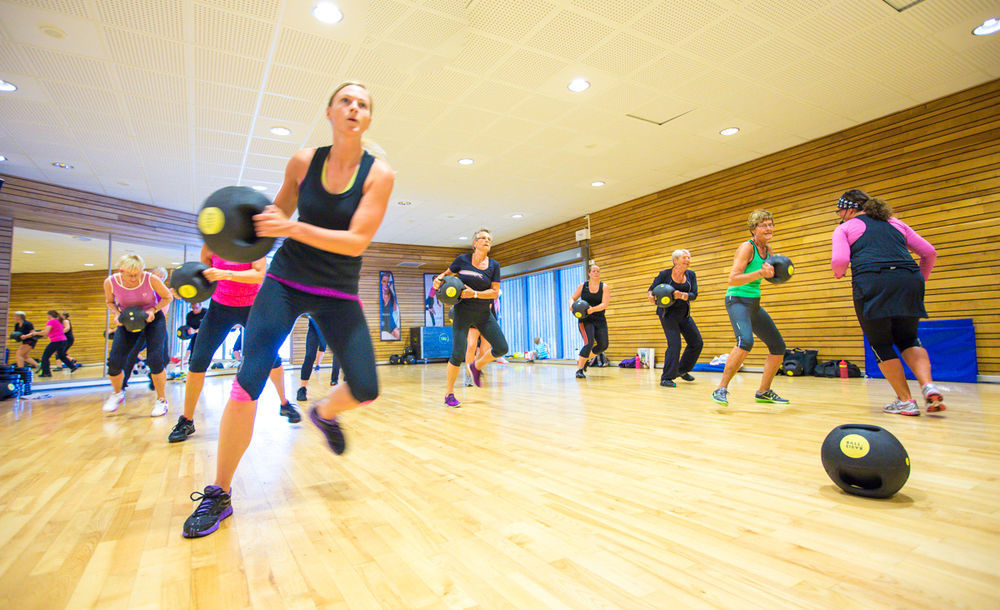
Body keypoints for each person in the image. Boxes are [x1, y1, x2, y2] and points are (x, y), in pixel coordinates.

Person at [182, 82, 394, 538]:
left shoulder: (380, 175)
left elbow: (357, 240)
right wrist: (227, 240)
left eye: (363, 104)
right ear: (330, 112)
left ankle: (324, 413)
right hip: (284, 282)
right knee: (249, 378)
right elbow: (272, 221)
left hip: (338, 290)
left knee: (367, 388)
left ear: (368, 119)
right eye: (346, 101)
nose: (354, 107)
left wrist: (292, 226)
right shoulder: (302, 162)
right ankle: (219, 493)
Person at [168, 245, 302, 444]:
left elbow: (258, 274)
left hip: (253, 306)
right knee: (197, 361)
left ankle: (284, 403)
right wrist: (186, 291)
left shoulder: (254, 245)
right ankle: (186, 420)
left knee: (272, 358)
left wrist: (226, 274)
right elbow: (203, 281)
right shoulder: (210, 246)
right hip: (219, 308)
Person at [831, 189, 944, 415]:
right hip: (909, 281)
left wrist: (839, 272)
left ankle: (906, 401)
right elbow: (929, 252)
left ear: (850, 209)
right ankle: (928, 386)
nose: (840, 216)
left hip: (873, 283)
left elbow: (840, 260)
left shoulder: (844, 228)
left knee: (880, 343)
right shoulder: (894, 222)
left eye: (841, 211)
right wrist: (918, 281)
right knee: (909, 338)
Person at [712, 210, 789, 407]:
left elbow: (766, 276)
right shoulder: (747, 248)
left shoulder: (769, 249)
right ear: (754, 229)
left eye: (771, 225)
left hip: (754, 304)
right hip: (736, 300)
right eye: (764, 225)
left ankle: (763, 392)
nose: (769, 228)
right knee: (745, 341)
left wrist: (777, 274)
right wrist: (760, 273)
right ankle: (721, 388)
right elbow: (733, 279)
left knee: (778, 347)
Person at [433, 228, 507, 407]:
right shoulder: (462, 260)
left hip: (483, 314)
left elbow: (495, 293)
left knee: (502, 348)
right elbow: (445, 275)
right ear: (474, 243)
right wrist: (438, 279)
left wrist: (474, 294)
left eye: (489, 239)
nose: (486, 241)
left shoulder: (494, 265)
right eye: (482, 238)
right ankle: (449, 394)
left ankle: (476, 366)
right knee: (458, 354)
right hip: (462, 312)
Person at [101, 253, 173, 416]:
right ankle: (118, 393)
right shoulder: (110, 282)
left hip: (152, 319)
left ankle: (161, 400)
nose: (134, 278)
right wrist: (116, 314)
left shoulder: (150, 279)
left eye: (137, 274)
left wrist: (153, 309)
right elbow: (110, 301)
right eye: (131, 275)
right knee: (114, 361)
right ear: (121, 271)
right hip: (128, 319)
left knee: (155, 359)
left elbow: (167, 297)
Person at [648, 249, 703, 387]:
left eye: (689, 258)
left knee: (696, 342)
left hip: (684, 314)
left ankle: (682, 370)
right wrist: (651, 296)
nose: (688, 260)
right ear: (675, 260)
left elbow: (694, 294)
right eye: (685, 257)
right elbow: (652, 289)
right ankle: (666, 378)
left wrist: (683, 295)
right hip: (667, 315)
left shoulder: (691, 275)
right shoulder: (664, 274)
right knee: (675, 345)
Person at [122, 266, 169, 390]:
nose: (160, 279)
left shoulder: (164, 292)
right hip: (141, 325)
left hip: (157, 324)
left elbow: (163, 311)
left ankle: (154, 379)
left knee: (165, 357)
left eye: (162, 277)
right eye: (157, 276)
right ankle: (123, 382)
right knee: (131, 353)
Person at [570, 264, 610, 379]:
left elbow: (604, 304)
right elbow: (572, 298)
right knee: (589, 343)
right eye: (594, 271)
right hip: (585, 320)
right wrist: (571, 305)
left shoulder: (604, 287)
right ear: (589, 273)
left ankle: (586, 360)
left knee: (603, 345)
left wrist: (592, 309)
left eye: (598, 271)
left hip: (599, 319)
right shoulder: (583, 286)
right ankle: (579, 370)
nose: (596, 273)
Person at [296, 314, 340, 403]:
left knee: (337, 353)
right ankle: (302, 388)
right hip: (314, 327)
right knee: (309, 355)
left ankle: (334, 381)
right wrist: (308, 314)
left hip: (332, 325)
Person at [28, 310, 79, 377]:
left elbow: (45, 333)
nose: (47, 316)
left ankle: (46, 372)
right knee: (61, 355)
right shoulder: (59, 321)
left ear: (49, 315)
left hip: (56, 341)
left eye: (47, 315)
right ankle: (72, 367)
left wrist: (35, 333)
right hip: (63, 340)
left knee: (45, 357)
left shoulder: (51, 321)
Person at [379, 273, 401, 340]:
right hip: (380, 325)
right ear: (380, 282)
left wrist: (392, 290)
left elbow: (395, 309)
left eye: (388, 282)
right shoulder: (378, 295)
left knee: (398, 335)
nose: (386, 284)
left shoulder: (392, 296)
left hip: (391, 324)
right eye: (384, 281)